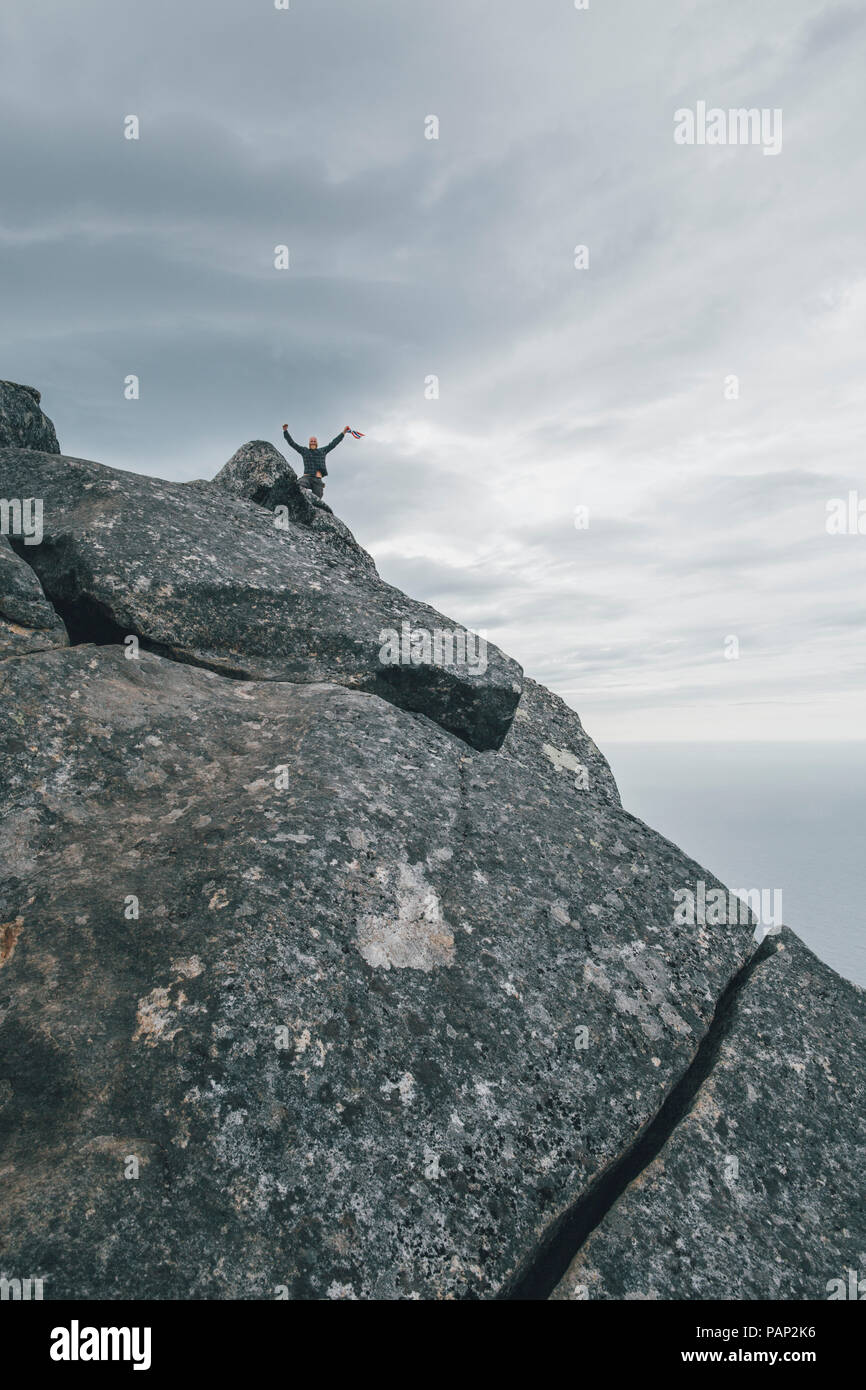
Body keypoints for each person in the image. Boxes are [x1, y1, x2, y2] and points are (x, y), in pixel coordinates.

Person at [282, 424, 350, 499]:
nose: (313, 442)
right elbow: (292, 444)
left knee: (317, 499)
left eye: (314, 441)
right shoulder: (305, 451)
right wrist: (285, 431)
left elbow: (333, 443)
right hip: (307, 478)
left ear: (316, 443)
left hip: (318, 480)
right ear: (309, 443)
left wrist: (343, 432)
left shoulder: (322, 451)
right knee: (298, 485)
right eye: (311, 441)